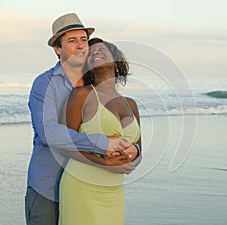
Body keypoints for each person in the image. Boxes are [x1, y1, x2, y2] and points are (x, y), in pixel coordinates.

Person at [25, 13, 141, 225]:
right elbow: (50, 133)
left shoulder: (97, 88)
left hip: (98, 186)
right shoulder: (45, 84)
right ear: (57, 49)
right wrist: (104, 145)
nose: (80, 46)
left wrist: (134, 153)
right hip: (48, 186)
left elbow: (128, 137)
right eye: (71, 40)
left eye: (83, 40)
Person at [59, 37, 142, 225]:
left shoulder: (131, 104)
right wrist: (104, 163)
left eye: (101, 50)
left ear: (116, 59)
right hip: (82, 186)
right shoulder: (82, 95)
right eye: (91, 53)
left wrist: (132, 159)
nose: (96, 53)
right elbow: (64, 144)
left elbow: (139, 149)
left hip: (114, 190)